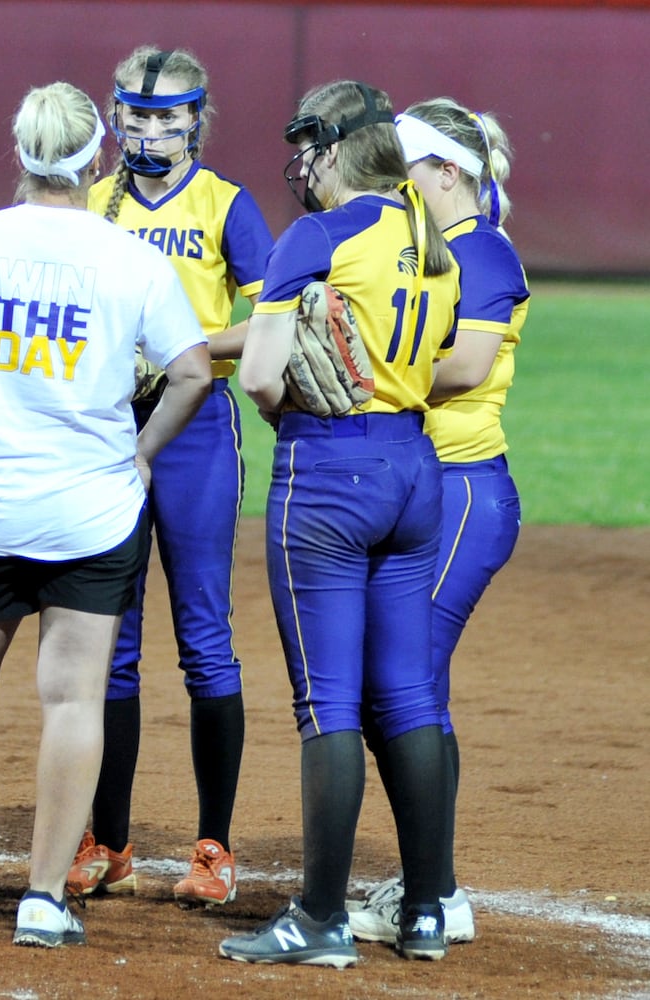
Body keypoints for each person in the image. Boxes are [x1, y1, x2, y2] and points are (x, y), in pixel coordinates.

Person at [0, 81, 212, 947]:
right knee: (72, 701)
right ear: (98, 158)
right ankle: (45, 899)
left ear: (20, 153)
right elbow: (196, 371)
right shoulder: (130, 256)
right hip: (95, 512)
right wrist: (140, 452)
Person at [217, 80, 460, 967]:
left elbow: (259, 376)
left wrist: (294, 418)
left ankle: (319, 919)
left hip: (327, 470)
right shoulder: (432, 238)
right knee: (409, 695)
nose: (301, 165)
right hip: (413, 466)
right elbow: (434, 365)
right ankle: (429, 909)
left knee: (329, 703)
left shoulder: (315, 236)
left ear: (332, 150)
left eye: (309, 148)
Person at [66, 45, 273, 909]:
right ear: (115, 117)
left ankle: (214, 848)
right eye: (139, 115)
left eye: (170, 115)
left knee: (204, 639)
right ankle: (108, 841)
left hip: (195, 431)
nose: (153, 129)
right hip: (106, 429)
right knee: (110, 646)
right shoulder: (87, 204)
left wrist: (175, 349)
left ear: (197, 117)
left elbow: (269, 320)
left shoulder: (227, 204)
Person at [347, 98, 529, 946]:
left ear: (447, 173)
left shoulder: (482, 251)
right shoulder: (429, 251)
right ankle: (432, 882)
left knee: (403, 681)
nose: (397, 184)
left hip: (464, 490)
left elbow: (464, 365)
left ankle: (440, 892)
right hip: (428, 486)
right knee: (408, 686)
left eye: (409, 168)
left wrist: (364, 368)